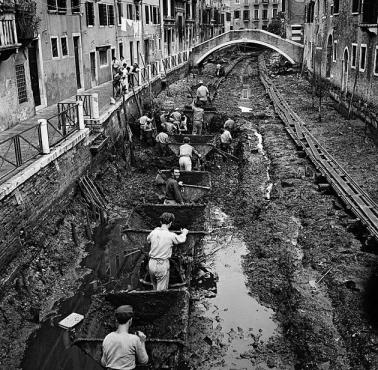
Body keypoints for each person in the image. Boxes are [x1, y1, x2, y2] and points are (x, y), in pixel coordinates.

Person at [147, 212, 188, 290]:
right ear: (170, 223)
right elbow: (181, 239)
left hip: (151, 263)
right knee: (161, 292)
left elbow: (148, 240)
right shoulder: (171, 235)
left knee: (154, 287)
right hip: (162, 264)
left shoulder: (153, 232)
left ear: (160, 222)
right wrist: (184, 233)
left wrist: (156, 230)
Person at [101, 305, 148, 370]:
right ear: (130, 320)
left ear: (116, 320)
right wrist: (142, 341)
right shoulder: (134, 339)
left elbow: (104, 363)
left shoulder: (107, 338)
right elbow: (143, 361)